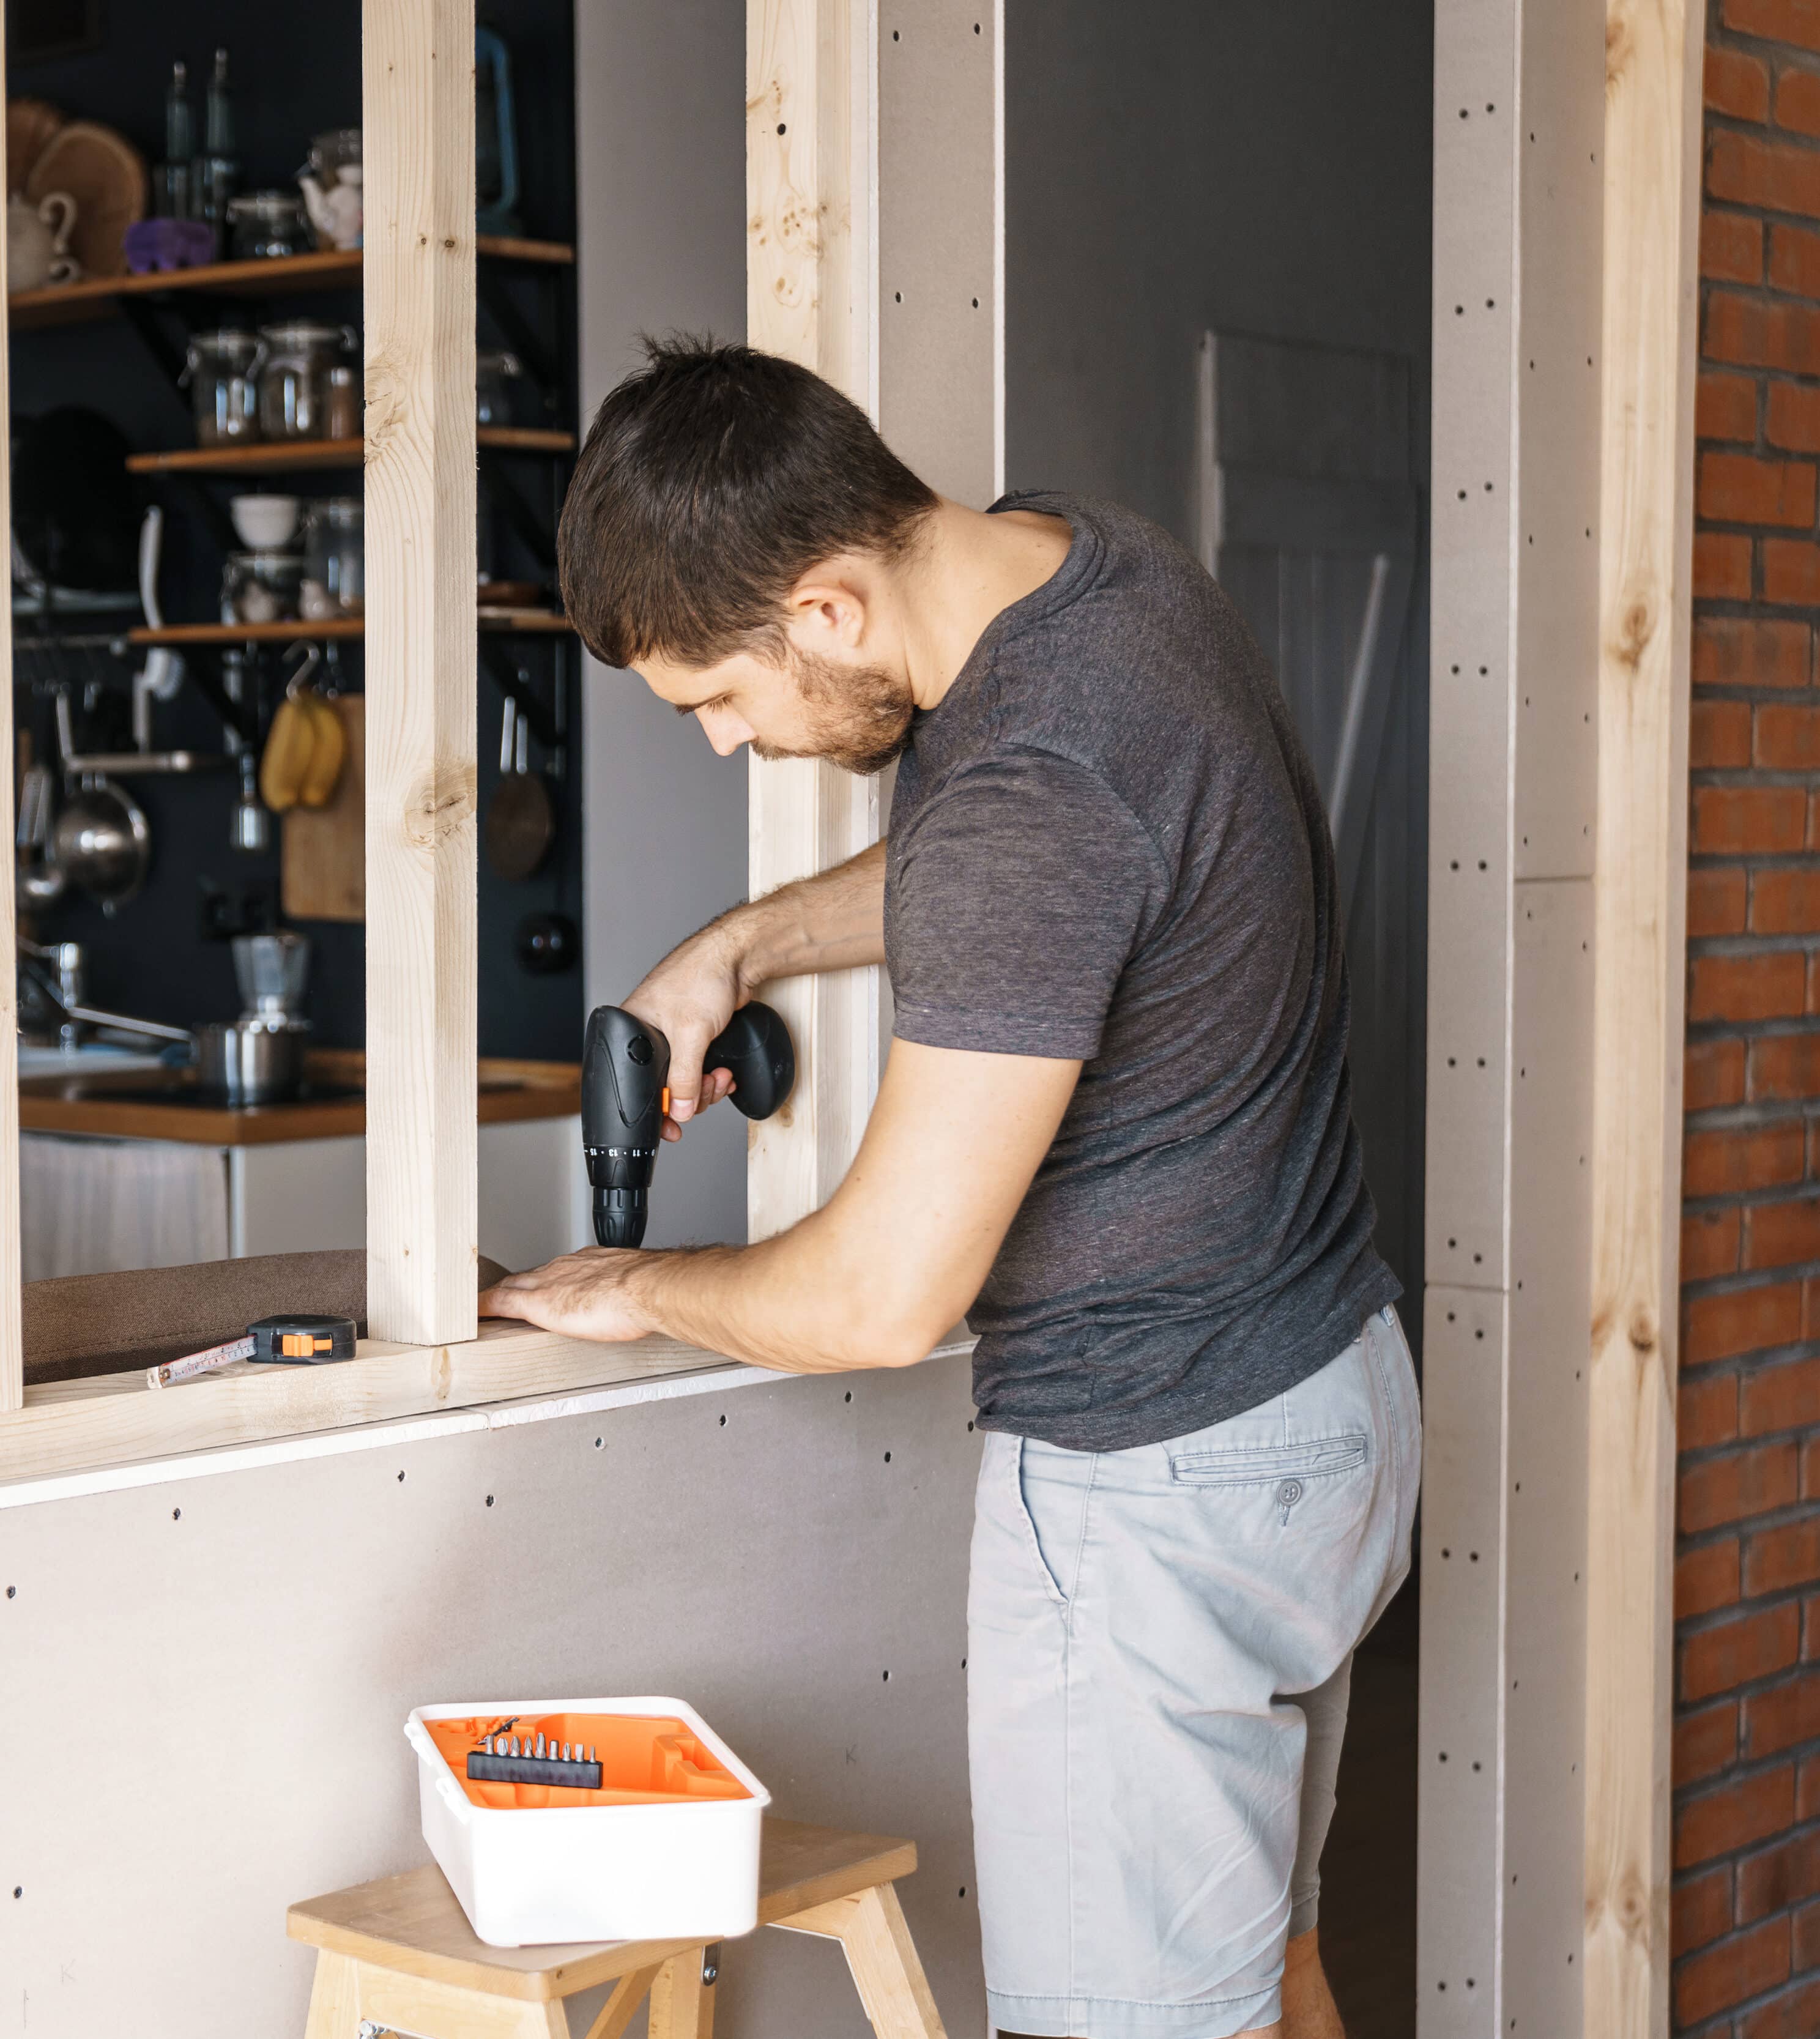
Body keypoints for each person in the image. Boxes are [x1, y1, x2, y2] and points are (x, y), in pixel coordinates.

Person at [480, 338, 1421, 2039]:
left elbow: (877, 1296)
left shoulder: (1021, 799)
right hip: (1324, 1402)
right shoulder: (1091, 567)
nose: (715, 744)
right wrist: (745, 943)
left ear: (827, 608)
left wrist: (638, 1288)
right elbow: (1067, 870)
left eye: (716, 694)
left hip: (1157, 1485)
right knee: (1262, 1975)